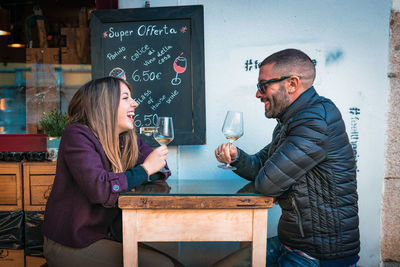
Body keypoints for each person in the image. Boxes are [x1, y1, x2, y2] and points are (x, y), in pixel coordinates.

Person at [214, 49, 360, 266]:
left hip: (319, 255)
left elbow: (267, 184)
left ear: (292, 84)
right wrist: (236, 157)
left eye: (263, 86)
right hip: (294, 243)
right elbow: (260, 167)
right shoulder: (292, 121)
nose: (258, 94)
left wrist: (264, 174)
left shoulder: (315, 121)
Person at [42, 77, 183, 267]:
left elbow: (162, 168)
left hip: (109, 234)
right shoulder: (77, 135)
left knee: (175, 264)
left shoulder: (125, 139)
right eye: (126, 98)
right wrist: (143, 170)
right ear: (104, 103)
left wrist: (145, 171)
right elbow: (100, 189)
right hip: (73, 242)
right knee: (163, 266)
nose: (135, 103)